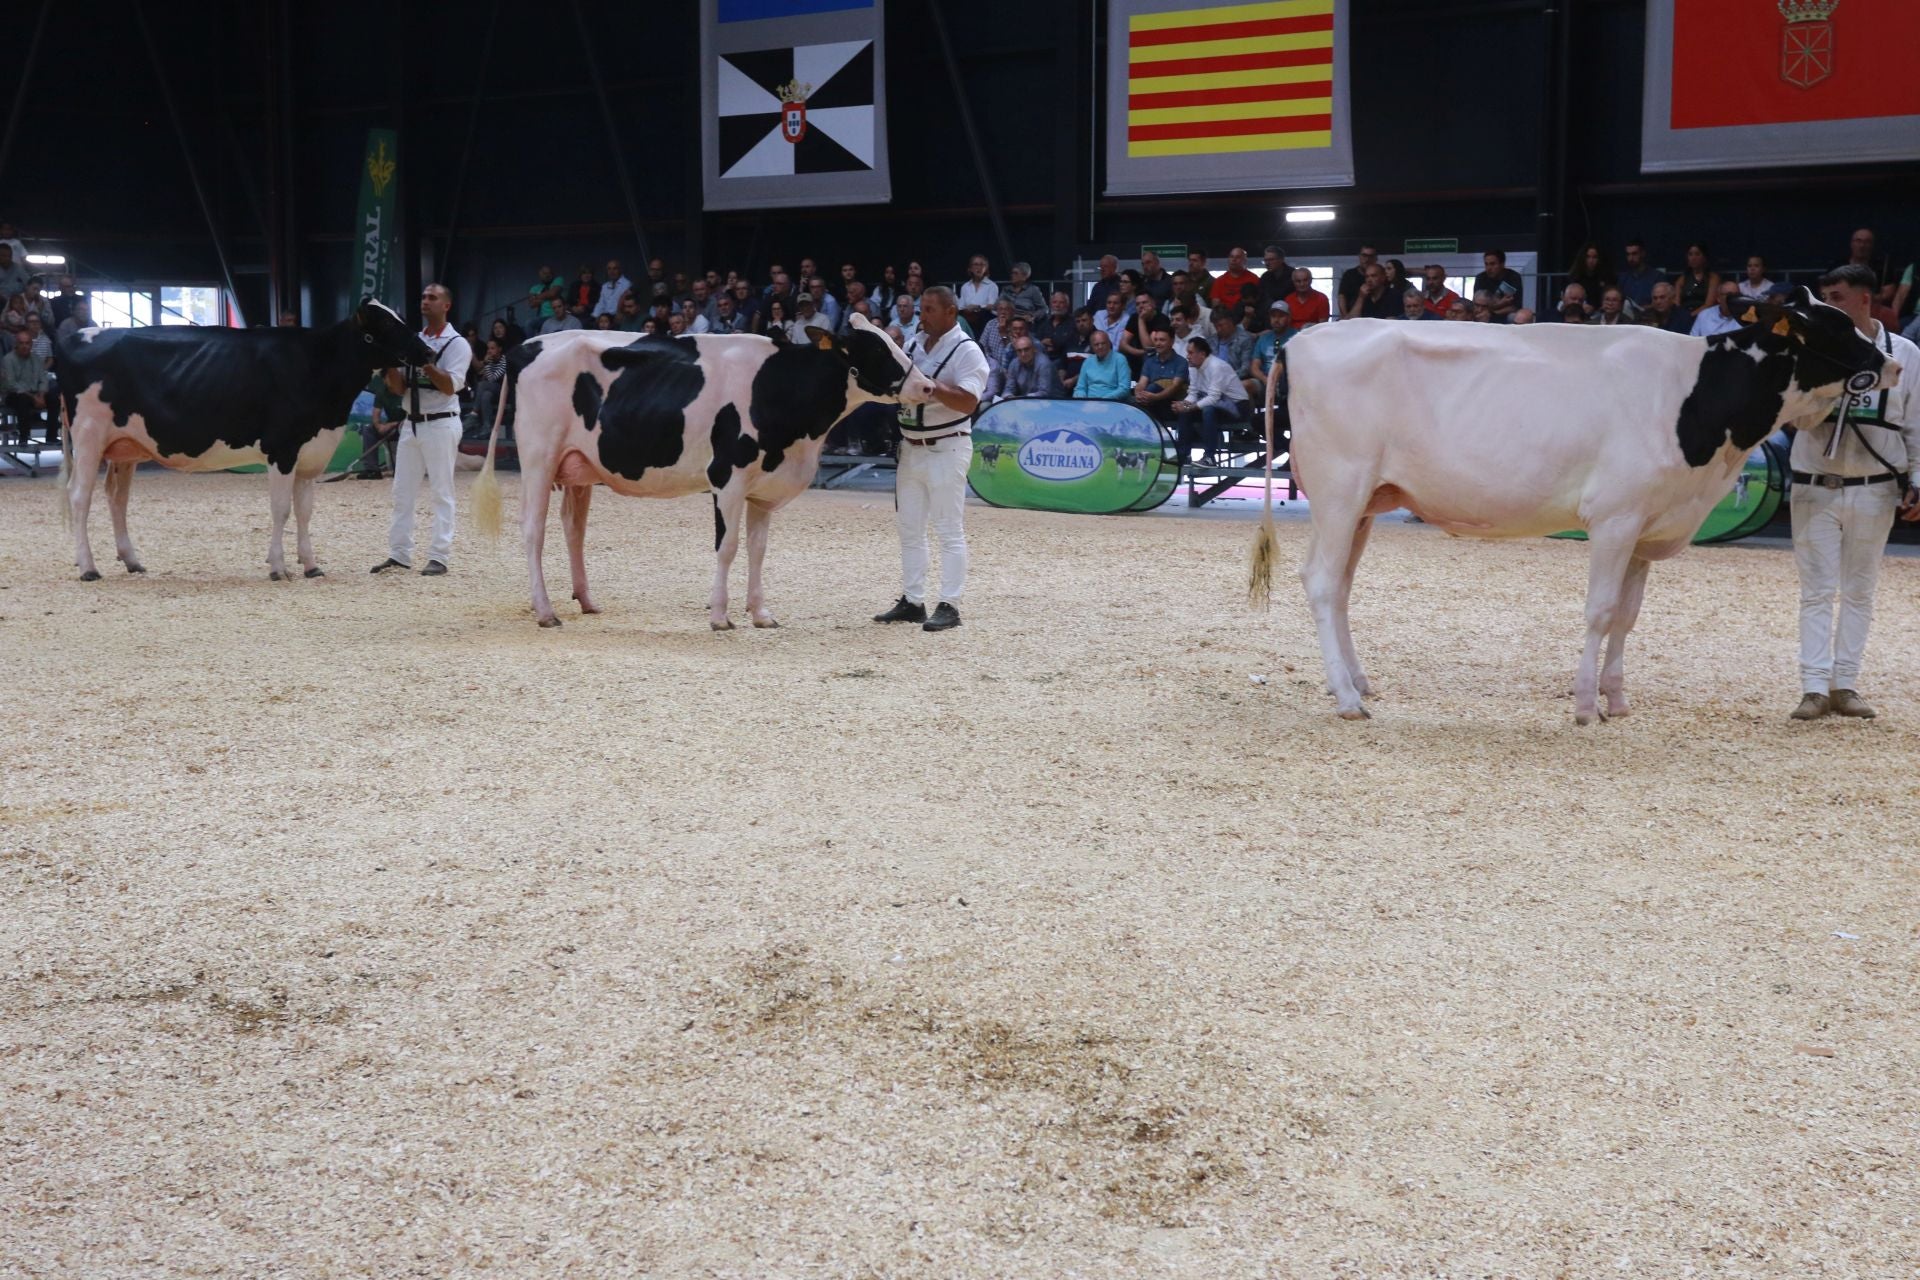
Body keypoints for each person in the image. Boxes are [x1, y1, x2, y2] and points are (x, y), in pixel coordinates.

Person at [1787, 265, 1920, 720]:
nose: (1828, 304)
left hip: (1876, 487)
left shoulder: (1903, 353)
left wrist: (1917, 480)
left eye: (1837, 296)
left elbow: (1915, 423)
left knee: (1860, 589)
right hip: (1814, 483)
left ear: (1865, 300)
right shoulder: (1809, 352)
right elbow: (1797, 419)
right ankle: (1812, 687)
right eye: (1824, 296)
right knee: (1816, 591)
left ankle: (1845, 683)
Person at [874, 285, 988, 633]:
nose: (922, 316)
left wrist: (933, 387)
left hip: (947, 446)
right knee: (910, 528)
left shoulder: (968, 352)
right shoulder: (911, 344)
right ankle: (913, 600)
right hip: (911, 446)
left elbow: (969, 403)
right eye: (921, 309)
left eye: (929, 310)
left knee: (948, 529)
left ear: (951, 312)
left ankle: (950, 605)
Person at [371, 283, 470, 577]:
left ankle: (439, 555)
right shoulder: (413, 339)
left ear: (446, 305)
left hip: (441, 421)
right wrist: (389, 363)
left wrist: (424, 361)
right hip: (411, 422)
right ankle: (399, 553)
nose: (425, 301)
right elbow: (399, 387)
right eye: (423, 297)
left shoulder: (457, 344)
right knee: (402, 491)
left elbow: (450, 384)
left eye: (433, 297)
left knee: (442, 491)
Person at [1170, 336, 1250, 461]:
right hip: (1217, 403)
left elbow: (1213, 398)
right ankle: (1183, 454)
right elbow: (1193, 393)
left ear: (1202, 354)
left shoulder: (1216, 366)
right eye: (1187, 353)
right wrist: (1183, 405)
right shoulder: (1193, 366)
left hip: (1237, 406)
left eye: (1191, 353)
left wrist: (1189, 407)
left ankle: (1209, 457)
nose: (1187, 356)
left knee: (1208, 410)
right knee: (1185, 412)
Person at [1132, 323, 1187, 427]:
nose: (1158, 343)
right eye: (1156, 340)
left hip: (1172, 403)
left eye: (1162, 340)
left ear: (1172, 341)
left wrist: (1156, 397)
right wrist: (1138, 394)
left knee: (1154, 387)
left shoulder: (1181, 362)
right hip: (1151, 402)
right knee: (1137, 400)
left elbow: (1175, 387)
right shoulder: (1149, 361)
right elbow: (1142, 383)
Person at [1, 329, 48, 443]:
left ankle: (51, 436)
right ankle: (24, 436)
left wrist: (41, 395)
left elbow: (43, 379)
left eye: (27, 343)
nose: (24, 346)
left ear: (31, 344)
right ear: (16, 344)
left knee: (54, 398)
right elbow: (11, 384)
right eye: (21, 343)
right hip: (14, 394)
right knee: (23, 400)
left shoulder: (37, 359)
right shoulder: (8, 359)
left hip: (34, 393)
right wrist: (34, 397)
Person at [984, 336, 1056, 403]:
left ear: (1034, 349)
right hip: (1026, 402)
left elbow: (1044, 393)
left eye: (1026, 349)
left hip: (1051, 403)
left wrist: (1020, 398)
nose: (1023, 354)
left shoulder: (1044, 364)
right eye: (1019, 351)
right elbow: (1009, 388)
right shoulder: (1014, 363)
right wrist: (1008, 396)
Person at [1072, 328, 1131, 401]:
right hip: (1090, 404)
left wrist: (1103, 401)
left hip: (1113, 403)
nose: (1100, 347)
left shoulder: (1120, 359)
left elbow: (1124, 389)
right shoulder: (1088, 362)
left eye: (1103, 343)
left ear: (1109, 344)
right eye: (1096, 345)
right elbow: (1080, 388)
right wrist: (1082, 399)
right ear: (1092, 347)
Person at [1473, 250, 1524, 319]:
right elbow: (1478, 306)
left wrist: (1492, 313)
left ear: (1502, 264)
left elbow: (1514, 307)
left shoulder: (1513, 277)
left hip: (1504, 315)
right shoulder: (1481, 278)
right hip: (1483, 313)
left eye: (1492, 264)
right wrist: (1500, 303)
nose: (1489, 268)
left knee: (1513, 317)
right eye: (1486, 264)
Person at [1674, 243, 1719, 316]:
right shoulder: (1682, 279)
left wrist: (1691, 315)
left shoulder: (1713, 278)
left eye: (1697, 254)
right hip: (1684, 315)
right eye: (1690, 254)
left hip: (1705, 315)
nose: (1693, 258)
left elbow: (1709, 304)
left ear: (1704, 257)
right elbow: (1676, 303)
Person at [1616, 240, 1660, 309]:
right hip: (1626, 318)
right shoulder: (1623, 278)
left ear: (1643, 253)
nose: (1631, 258)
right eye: (1628, 254)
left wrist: (1642, 309)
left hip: (1650, 317)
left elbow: (1663, 303)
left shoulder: (1657, 276)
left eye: (1634, 254)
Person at [1337, 245, 1378, 316]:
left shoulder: (1381, 275)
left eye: (1370, 256)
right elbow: (1342, 296)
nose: (1367, 259)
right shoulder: (1349, 274)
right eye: (1364, 255)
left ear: (1375, 258)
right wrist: (1345, 317)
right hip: (1352, 316)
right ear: (1359, 256)